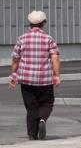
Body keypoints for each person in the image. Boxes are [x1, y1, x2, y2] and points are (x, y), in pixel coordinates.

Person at [12, 8, 61, 140]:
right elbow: (55, 58)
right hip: (45, 78)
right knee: (47, 102)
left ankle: (32, 134)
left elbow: (16, 58)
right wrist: (57, 75)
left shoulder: (22, 39)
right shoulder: (48, 39)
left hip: (26, 78)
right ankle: (42, 119)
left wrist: (13, 75)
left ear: (30, 24)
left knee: (31, 105)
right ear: (43, 23)